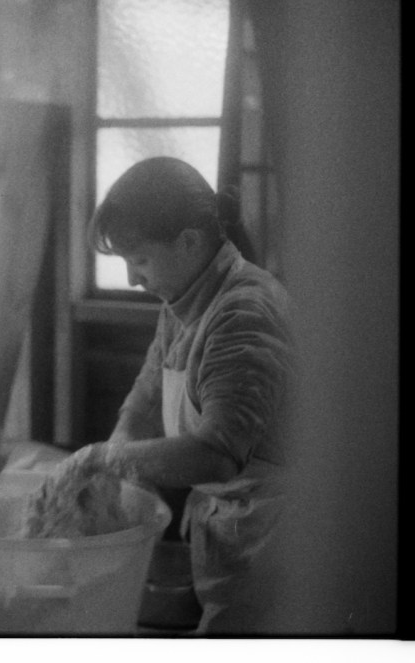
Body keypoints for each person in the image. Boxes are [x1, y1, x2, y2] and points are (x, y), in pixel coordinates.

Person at [50, 156, 296, 636]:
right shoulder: (184, 297)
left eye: (139, 259)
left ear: (189, 241)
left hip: (275, 536)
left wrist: (104, 461)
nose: (131, 279)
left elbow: (216, 454)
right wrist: (114, 457)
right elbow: (145, 395)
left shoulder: (243, 313)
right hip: (226, 524)